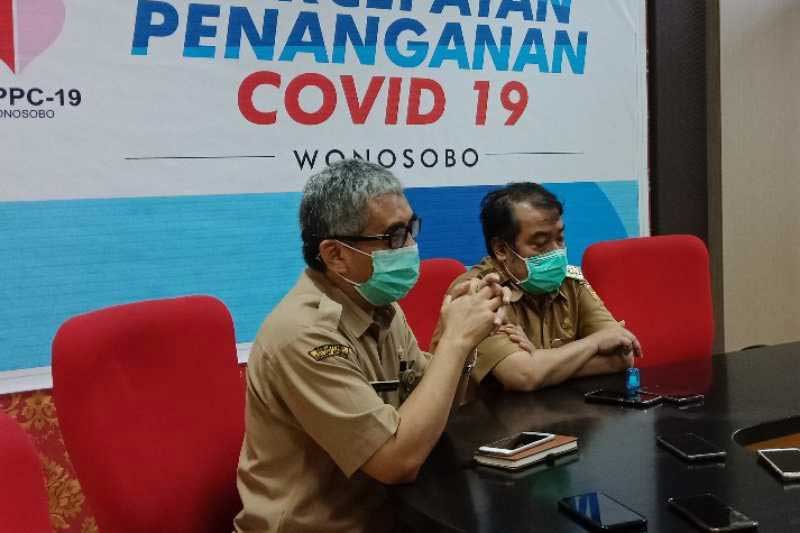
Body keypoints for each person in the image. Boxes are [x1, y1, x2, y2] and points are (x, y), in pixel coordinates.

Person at [233, 159, 507, 533]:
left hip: (391, 517)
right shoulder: (304, 334)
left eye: (410, 230)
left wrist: (462, 337)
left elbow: (432, 409)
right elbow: (396, 461)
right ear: (336, 255)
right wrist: (454, 343)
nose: (411, 247)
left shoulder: (377, 306)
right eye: (394, 237)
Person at [434, 182, 641, 393]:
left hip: (557, 409)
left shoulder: (570, 280)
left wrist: (540, 359)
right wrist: (593, 344)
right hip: (484, 413)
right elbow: (523, 376)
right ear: (501, 249)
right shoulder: (479, 292)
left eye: (560, 239)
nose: (556, 252)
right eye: (541, 243)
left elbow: (622, 355)